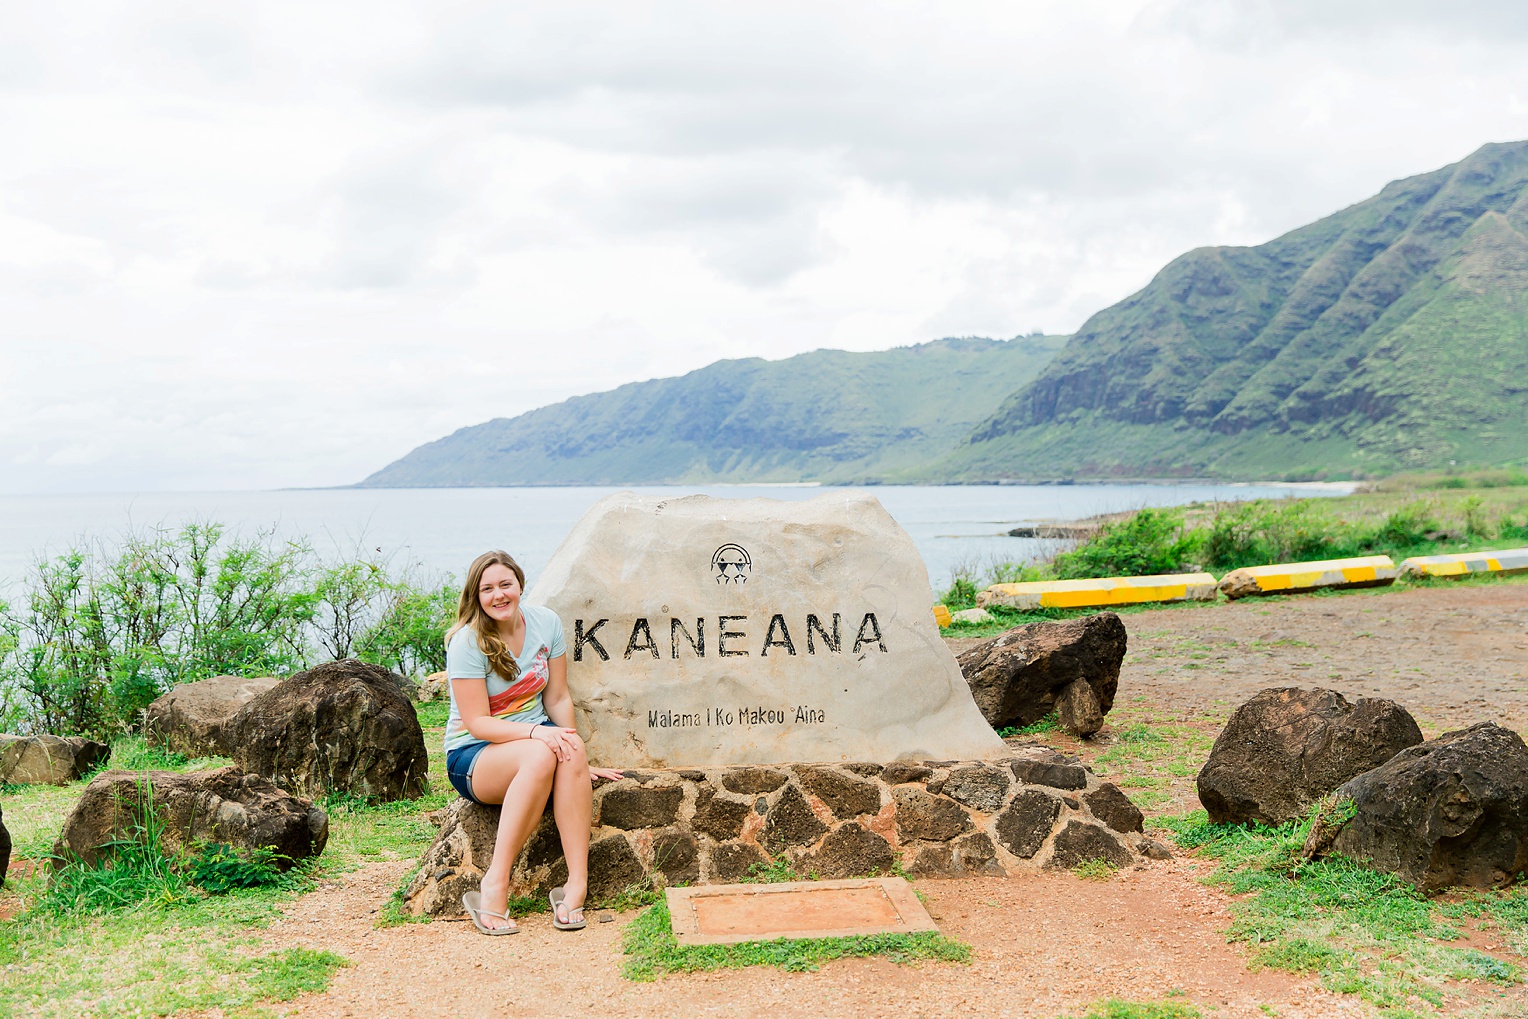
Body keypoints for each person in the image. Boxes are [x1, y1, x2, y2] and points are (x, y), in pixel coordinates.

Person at [443, 549, 623, 935]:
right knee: (547, 749)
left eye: (505, 584)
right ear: (476, 596)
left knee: (569, 747)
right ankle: (495, 882)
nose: (498, 595)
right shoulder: (467, 642)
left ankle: (576, 884)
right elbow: (476, 723)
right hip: (474, 756)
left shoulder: (546, 624)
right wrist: (538, 733)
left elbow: (557, 698)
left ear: (520, 585)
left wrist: (574, 765)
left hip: (534, 743)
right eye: (487, 589)